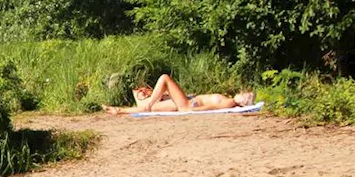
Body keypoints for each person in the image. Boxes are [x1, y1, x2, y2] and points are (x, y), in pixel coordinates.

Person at [103, 74, 256, 115]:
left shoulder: (230, 102)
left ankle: (147, 104)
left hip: (188, 105)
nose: (243, 94)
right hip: (188, 103)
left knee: (165, 78)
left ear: (242, 102)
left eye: (245, 96)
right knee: (151, 107)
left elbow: (209, 109)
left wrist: (191, 110)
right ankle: (119, 110)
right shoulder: (228, 99)